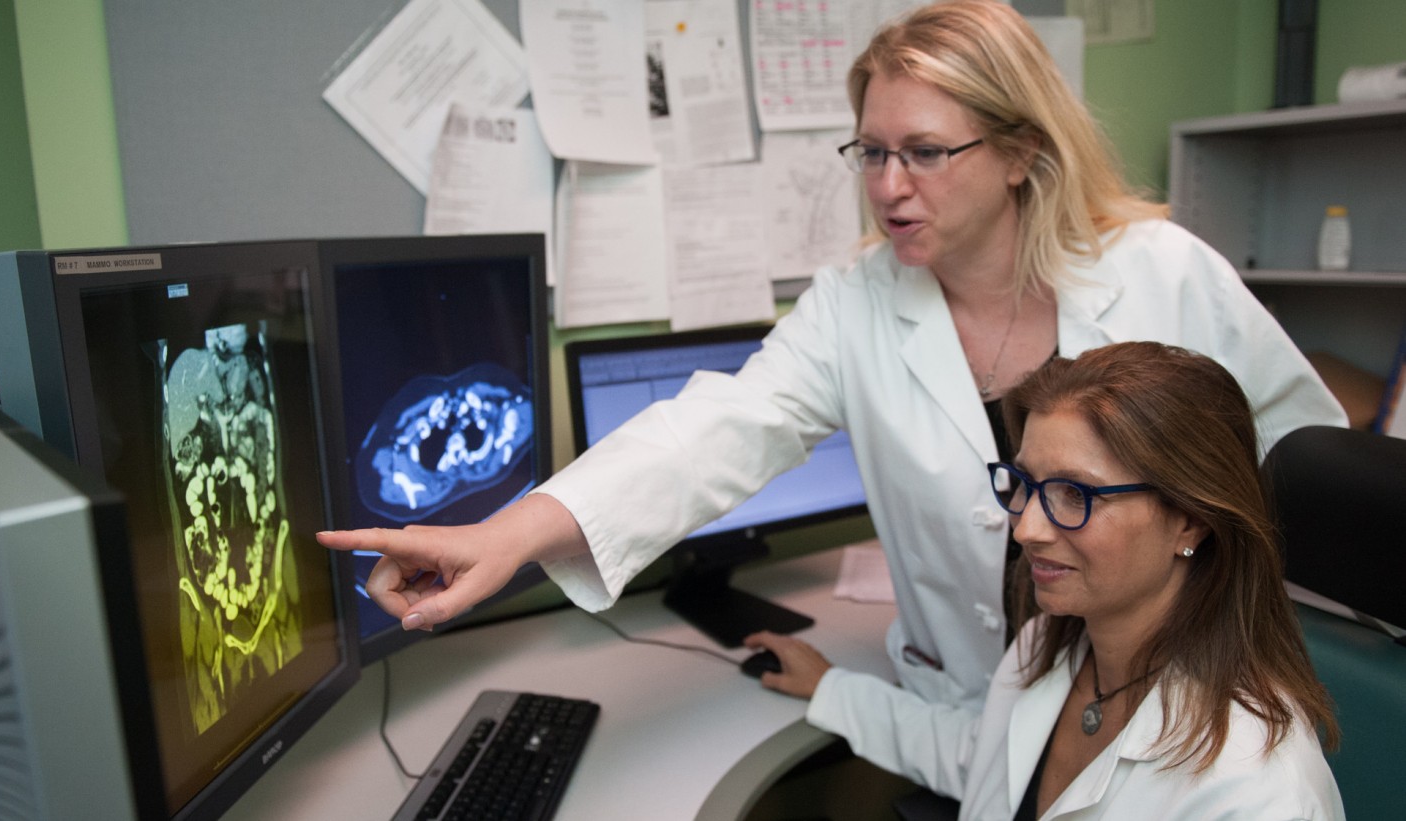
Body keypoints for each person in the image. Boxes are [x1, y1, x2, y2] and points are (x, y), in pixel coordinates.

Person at [318, 0, 1345, 782]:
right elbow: (719, 428)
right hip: (969, 713)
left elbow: (1301, 466)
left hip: (1168, 710)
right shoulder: (857, 302)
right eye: (871, 152)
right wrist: (509, 534)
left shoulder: (1161, 273)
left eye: (926, 153)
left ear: (1021, 152)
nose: (888, 185)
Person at [757, 341, 1345, 818]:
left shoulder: (1258, 792)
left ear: (1189, 519)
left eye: (1076, 494)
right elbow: (981, 763)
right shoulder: (1049, 646)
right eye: (1027, 484)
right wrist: (832, 690)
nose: (1026, 529)